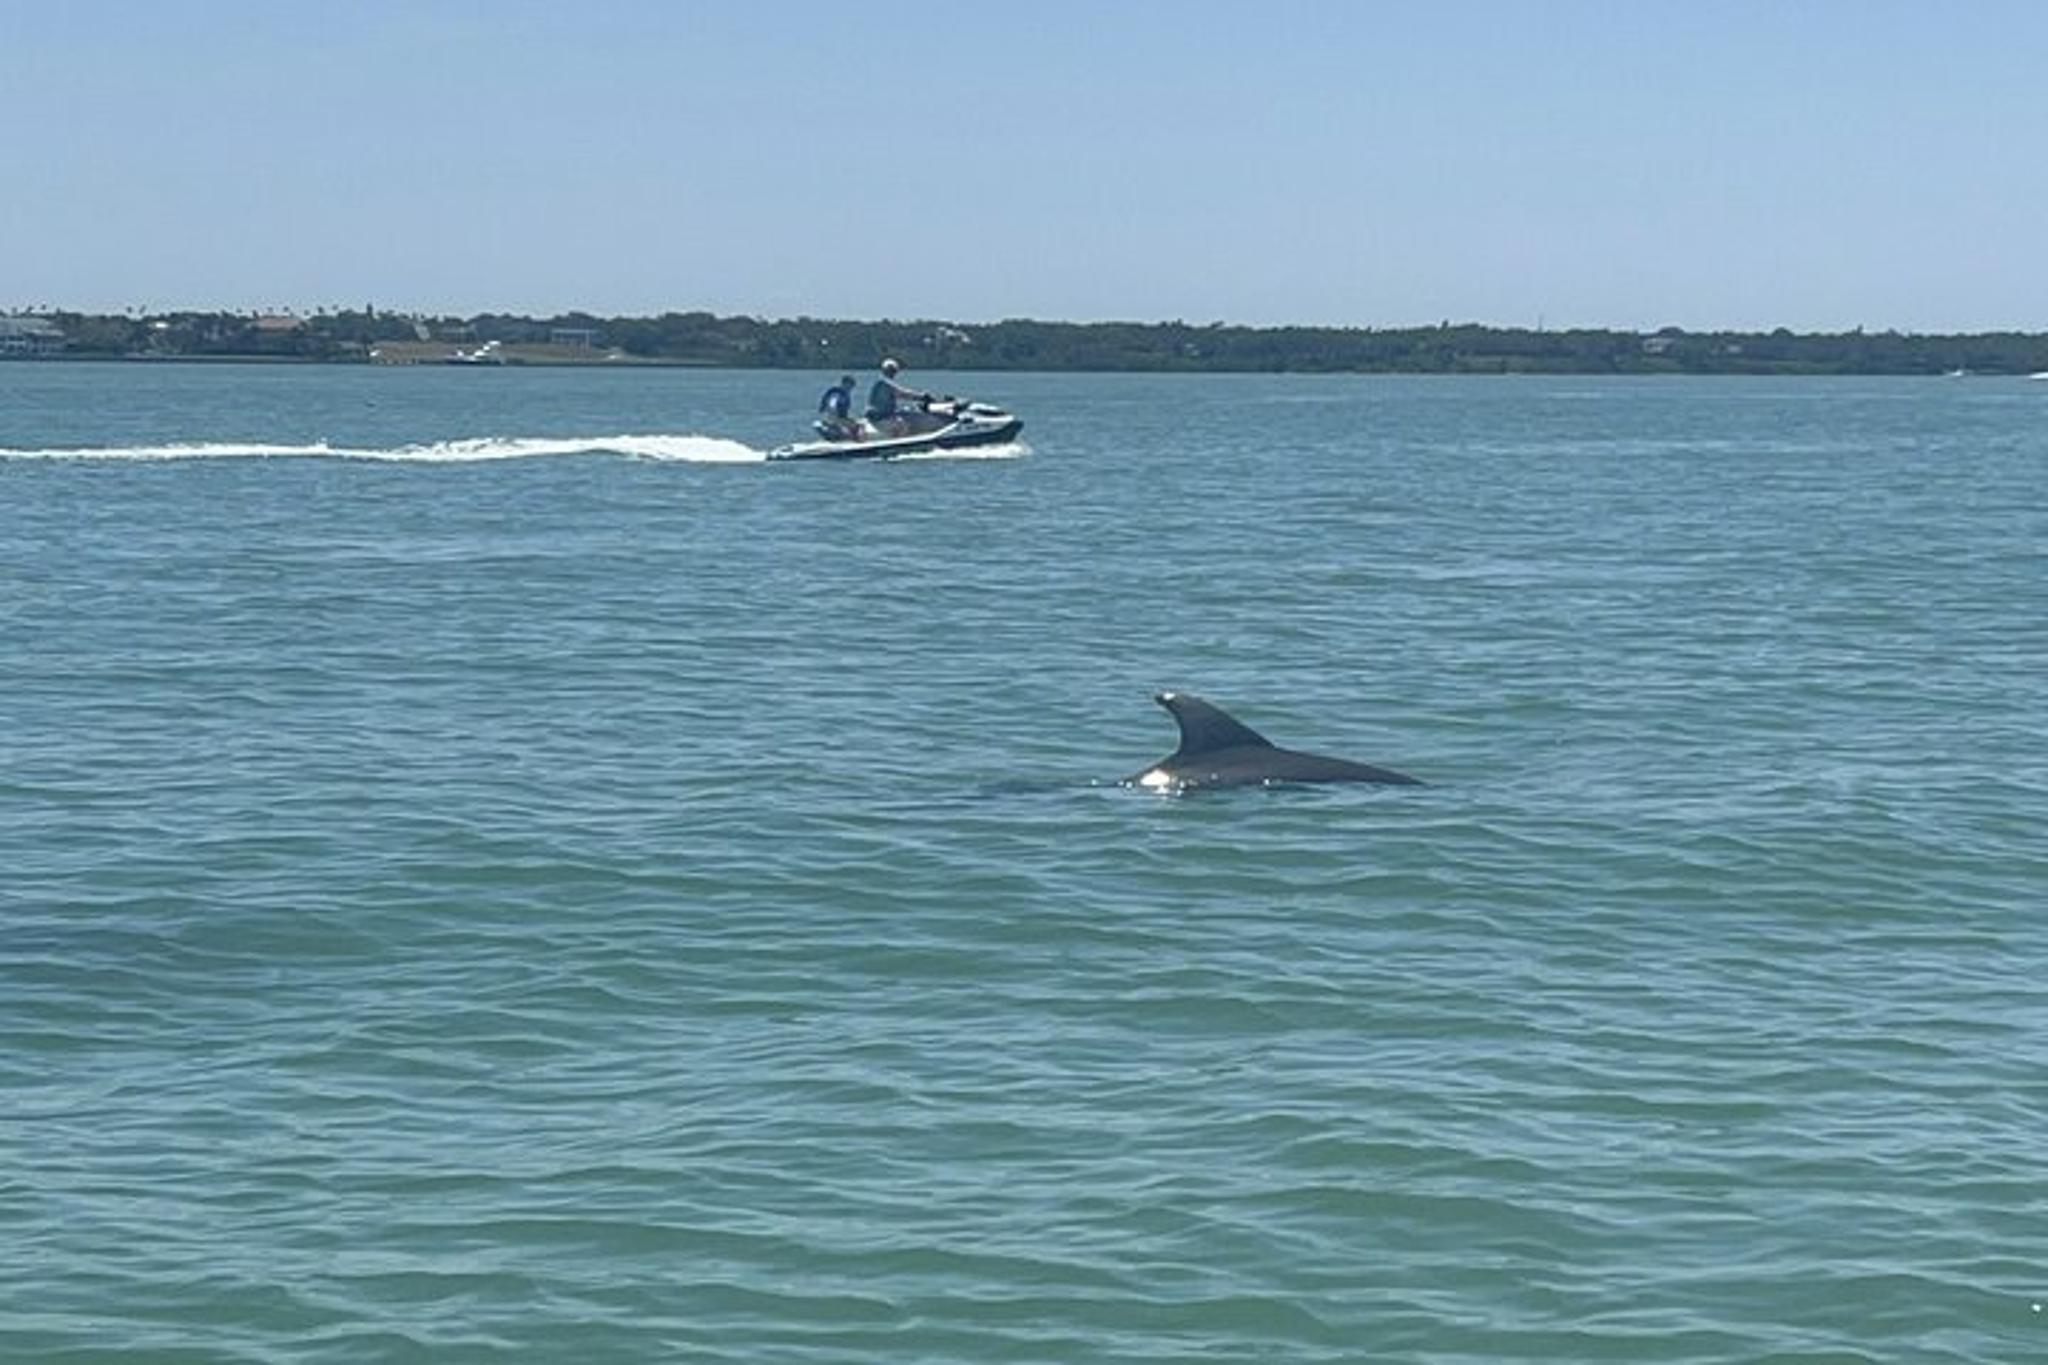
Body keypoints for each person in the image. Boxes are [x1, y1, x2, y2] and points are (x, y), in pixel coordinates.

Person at [865, 358, 931, 433]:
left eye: (893, 370)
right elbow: (903, 394)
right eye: (890, 370)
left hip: (878, 416)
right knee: (906, 420)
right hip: (880, 417)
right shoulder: (884, 383)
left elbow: (900, 394)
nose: (892, 372)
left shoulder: (880, 382)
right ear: (884, 370)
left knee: (907, 410)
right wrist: (922, 396)